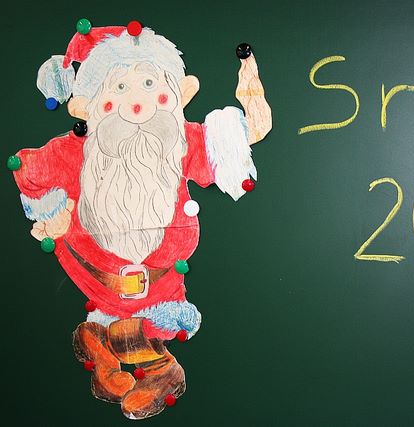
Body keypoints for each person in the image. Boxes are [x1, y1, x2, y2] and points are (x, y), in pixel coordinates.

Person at [9, 21, 271, 419]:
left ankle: (109, 350)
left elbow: (245, 136)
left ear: (177, 93)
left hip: (162, 282)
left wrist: (251, 96)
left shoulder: (180, 142)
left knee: (143, 328)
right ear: (90, 105)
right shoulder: (76, 151)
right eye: (119, 87)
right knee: (124, 327)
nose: (136, 105)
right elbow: (28, 169)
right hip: (94, 276)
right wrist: (51, 211)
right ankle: (120, 352)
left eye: (149, 84)